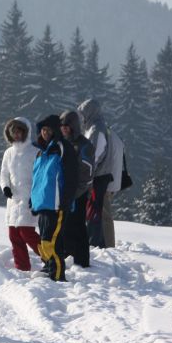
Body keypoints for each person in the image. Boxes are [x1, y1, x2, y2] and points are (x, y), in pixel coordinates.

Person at [31, 114, 78, 282]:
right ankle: (48, 267)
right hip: (43, 203)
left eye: (48, 130)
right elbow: (37, 179)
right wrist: (33, 199)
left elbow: (72, 177)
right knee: (43, 242)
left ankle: (57, 276)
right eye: (43, 130)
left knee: (53, 242)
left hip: (57, 204)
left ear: (55, 131)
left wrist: (66, 200)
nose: (45, 133)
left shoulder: (63, 148)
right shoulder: (41, 152)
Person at [0, 117, 41, 271]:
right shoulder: (8, 153)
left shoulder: (36, 152)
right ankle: (22, 267)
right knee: (14, 235)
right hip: (13, 200)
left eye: (19, 131)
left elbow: (40, 177)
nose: (16, 135)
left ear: (26, 132)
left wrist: (36, 198)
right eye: (13, 132)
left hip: (29, 198)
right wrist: (5, 187)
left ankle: (50, 258)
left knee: (27, 233)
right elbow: (4, 174)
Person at [58, 110, 94, 268]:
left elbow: (87, 173)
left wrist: (76, 193)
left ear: (73, 126)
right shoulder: (62, 143)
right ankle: (67, 254)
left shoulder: (84, 145)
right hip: (64, 193)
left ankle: (82, 261)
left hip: (78, 194)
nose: (64, 129)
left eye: (67, 126)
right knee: (65, 226)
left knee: (78, 227)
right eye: (62, 126)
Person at [78, 98, 115, 247]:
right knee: (95, 209)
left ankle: (100, 243)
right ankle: (98, 241)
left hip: (97, 176)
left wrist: (87, 172)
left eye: (83, 113)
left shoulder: (97, 129)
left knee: (97, 210)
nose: (82, 117)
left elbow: (96, 154)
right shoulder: (94, 127)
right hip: (96, 175)